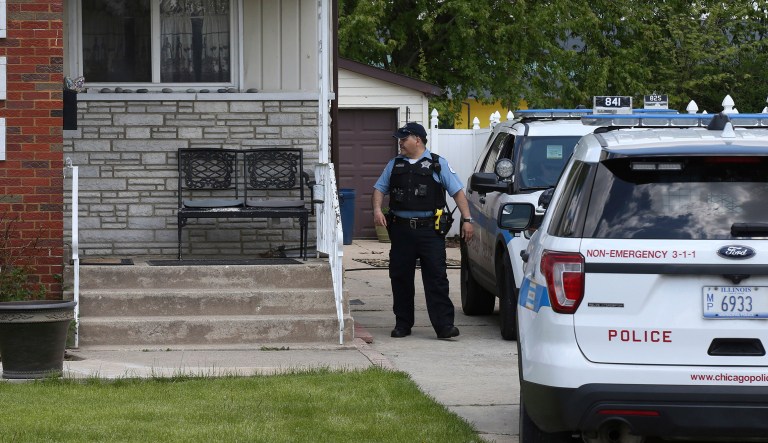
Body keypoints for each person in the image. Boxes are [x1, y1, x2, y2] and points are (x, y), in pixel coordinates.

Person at [371, 122, 474, 340]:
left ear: (417, 140)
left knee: (436, 278)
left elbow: (457, 192)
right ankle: (403, 324)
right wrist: (377, 210)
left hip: (430, 231)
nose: (400, 142)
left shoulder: (437, 163)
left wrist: (467, 219)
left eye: (403, 138)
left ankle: (444, 326)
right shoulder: (394, 164)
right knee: (400, 278)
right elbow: (379, 188)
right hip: (401, 231)